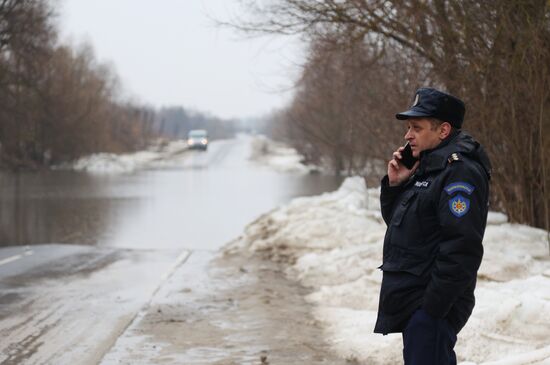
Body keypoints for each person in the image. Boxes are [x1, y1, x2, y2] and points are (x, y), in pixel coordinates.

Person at [373, 87, 492, 364]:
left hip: (433, 303)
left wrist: (431, 309)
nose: (407, 135)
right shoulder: (429, 166)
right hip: (418, 300)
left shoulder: (459, 171)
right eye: (408, 127)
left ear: (443, 130)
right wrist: (395, 185)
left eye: (416, 127)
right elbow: (403, 227)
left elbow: (462, 248)